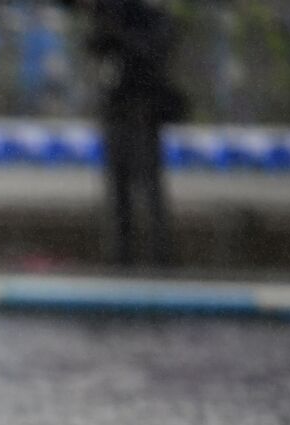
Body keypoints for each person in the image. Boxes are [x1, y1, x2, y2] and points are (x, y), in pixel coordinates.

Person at [65, 0, 187, 267]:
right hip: (117, 110)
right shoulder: (109, 15)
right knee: (118, 187)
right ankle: (121, 256)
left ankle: (160, 257)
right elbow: (95, 48)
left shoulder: (151, 18)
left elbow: (154, 52)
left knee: (149, 185)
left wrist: (119, 32)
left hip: (144, 110)